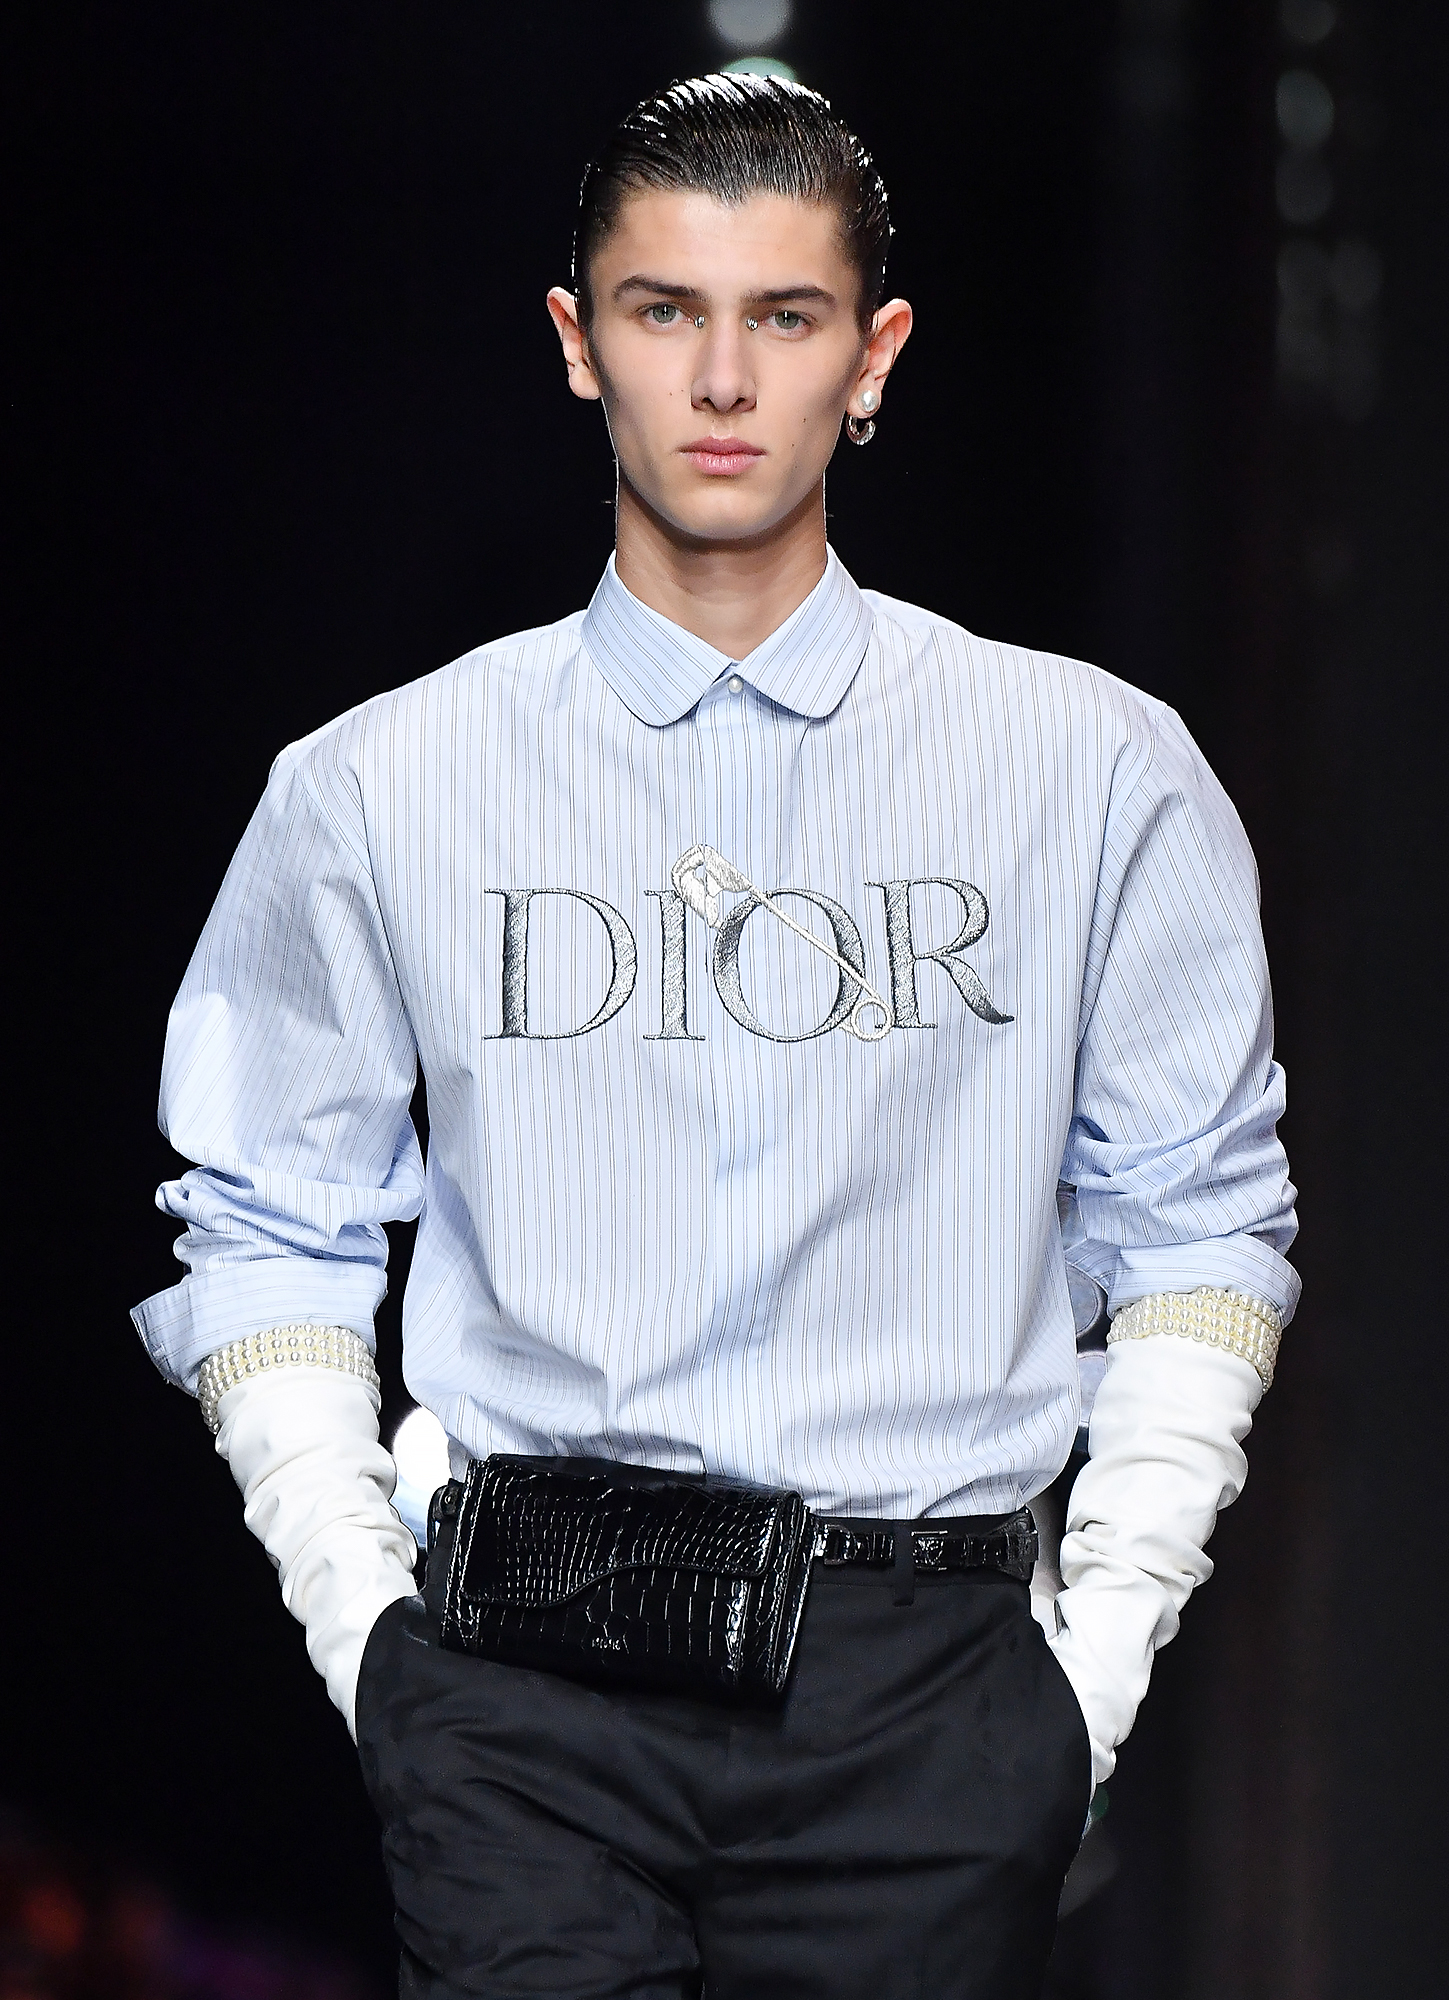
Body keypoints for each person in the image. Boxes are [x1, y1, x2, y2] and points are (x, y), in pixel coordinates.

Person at [133, 73, 1298, 2000]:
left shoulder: (1093, 771)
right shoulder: (379, 784)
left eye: (785, 315)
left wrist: (1087, 1674)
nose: (724, 378)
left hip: (928, 1694)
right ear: (578, 341)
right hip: (516, 1681)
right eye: (666, 310)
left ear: (874, 354)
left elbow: (1200, 1226)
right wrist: (369, 1639)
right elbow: (267, 1222)